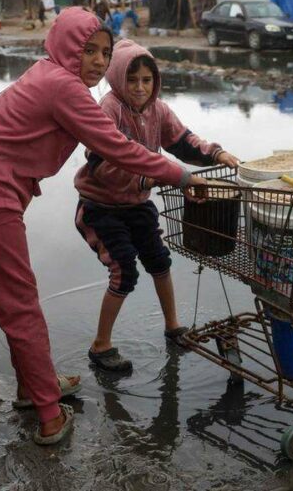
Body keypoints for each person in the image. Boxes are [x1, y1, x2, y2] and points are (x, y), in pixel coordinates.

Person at [0, 8, 208, 445]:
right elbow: (120, 149)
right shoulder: (64, 87)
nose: (97, 61)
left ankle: (34, 388)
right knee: (20, 303)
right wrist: (183, 175)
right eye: (87, 50)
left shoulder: (49, 75)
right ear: (65, 47)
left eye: (104, 53)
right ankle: (50, 416)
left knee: (12, 298)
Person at [73, 41, 240, 372]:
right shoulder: (107, 110)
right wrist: (156, 180)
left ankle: (173, 326)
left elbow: (183, 141)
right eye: (132, 80)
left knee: (160, 261)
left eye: (147, 80)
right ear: (118, 78)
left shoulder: (158, 110)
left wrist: (217, 154)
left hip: (137, 205)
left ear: (155, 82)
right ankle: (101, 346)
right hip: (100, 206)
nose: (139, 88)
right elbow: (103, 168)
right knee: (124, 269)